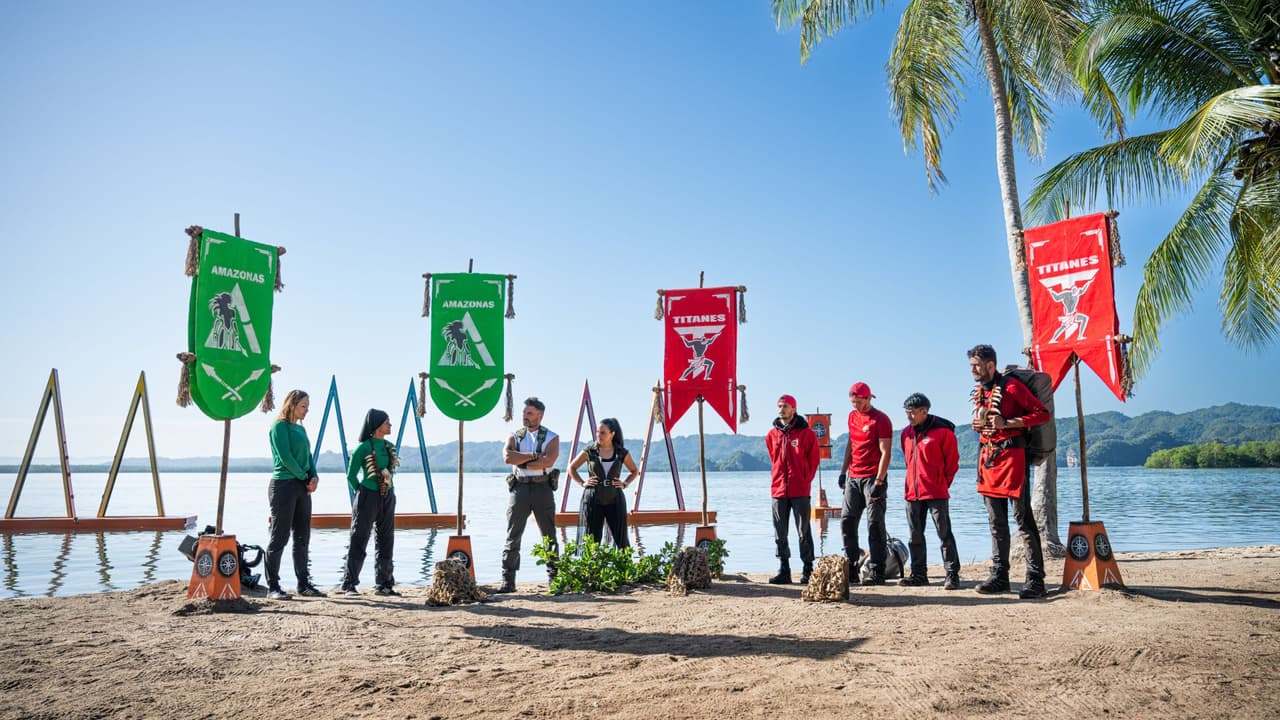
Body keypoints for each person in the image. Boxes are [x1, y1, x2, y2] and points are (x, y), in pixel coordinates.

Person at [968, 344, 1051, 599]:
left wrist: (1009, 423)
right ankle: (999, 576)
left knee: (1023, 521)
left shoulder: (1013, 387)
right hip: (990, 461)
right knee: (996, 522)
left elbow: (1042, 414)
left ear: (990, 365)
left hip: (1014, 458)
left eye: (976, 365)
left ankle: (1036, 579)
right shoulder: (981, 392)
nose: (972, 370)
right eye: (971, 365)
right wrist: (980, 426)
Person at [497, 397, 561, 593]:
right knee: (513, 533)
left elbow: (547, 461)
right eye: (524, 413)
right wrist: (534, 456)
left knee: (548, 534)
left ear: (540, 415)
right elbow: (508, 457)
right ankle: (508, 581)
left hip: (543, 488)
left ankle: (554, 579)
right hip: (520, 488)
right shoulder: (515, 435)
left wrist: (523, 460)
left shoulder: (552, 437)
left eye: (530, 413)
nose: (525, 416)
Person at [265, 389, 323, 600]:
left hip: (302, 486)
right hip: (284, 486)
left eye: (308, 407)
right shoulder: (279, 427)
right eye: (303, 406)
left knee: (302, 536)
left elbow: (307, 456)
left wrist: (314, 477)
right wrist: (303, 477)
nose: (306, 411)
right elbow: (286, 457)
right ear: (291, 404)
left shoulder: (301, 429)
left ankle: (304, 584)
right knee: (279, 536)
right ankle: (273, 587)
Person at [899, 393, 961, 589]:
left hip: (936, 492)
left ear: (924, 411)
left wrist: (941, 483)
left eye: (912, 413)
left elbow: (952, 463)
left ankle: (952, 574)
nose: (909, 416)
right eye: (907, 413)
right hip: (912, 492)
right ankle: (918, 574)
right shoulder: (905, 434)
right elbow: (909, 461)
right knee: (914, 535)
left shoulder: (943, 433)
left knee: (944, 534)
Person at [340, 409, 400, 597]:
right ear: (376, 426)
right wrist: (363, 491)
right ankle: (349, 584)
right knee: (359, 537)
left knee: (386, 538)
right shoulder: (363, 448)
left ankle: (384, 584)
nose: (390, 425)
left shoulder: (391, 446)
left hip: (388, 496)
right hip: (368, 496)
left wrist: (386, 489)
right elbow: (351, 475)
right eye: (386, 422)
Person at [839, 381, 893, 585]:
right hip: (854, 477)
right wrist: (843, 472)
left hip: (873, 477)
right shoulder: (852, 416)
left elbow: (885, 452)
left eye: (859, 402)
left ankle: (877, 571)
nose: (856, 406)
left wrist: (879, 481)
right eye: (853, 402)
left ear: (869, 398)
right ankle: (852, 567)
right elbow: (850, 445)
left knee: (874, 524)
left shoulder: (881, 419)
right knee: (847, 521)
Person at [764, 394, 819, 585]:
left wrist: (804, 479)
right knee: (780, 532)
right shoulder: (772, 435)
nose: (782, 409)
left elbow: (813, 461)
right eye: (779, 406)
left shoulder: (806, 433)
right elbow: (774, 458)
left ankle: (808, 569)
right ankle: (784, 569)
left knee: (804, 530)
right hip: (778, 490)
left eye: (785, 406)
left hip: (800, 490)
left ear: (794, 409)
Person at [567, 418, 638, 548]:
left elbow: (634, 471)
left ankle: (624, 567)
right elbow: (571, 468)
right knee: (591, 541)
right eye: (597, 432)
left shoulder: (621, 453)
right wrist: (583, 483)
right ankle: (592, 568)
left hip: (615, 499)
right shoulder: (589, 451)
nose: (599, 435)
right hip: (593, 499)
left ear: (612, 434)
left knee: (622, 541)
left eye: (603, 432)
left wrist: (624, 484)